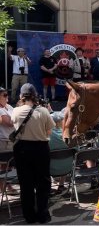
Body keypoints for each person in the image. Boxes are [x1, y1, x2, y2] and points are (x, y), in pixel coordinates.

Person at [11, 83, 55, 224]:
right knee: (43, 183)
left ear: (21, 96)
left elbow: (15, 126)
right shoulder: (43, 111)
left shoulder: (16, 111)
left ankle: (29, 216)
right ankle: (42, 215)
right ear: (35, 96)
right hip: (41, 148)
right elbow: (49, 131)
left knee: (26, 185)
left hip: (22, 149)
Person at [0, 87, 14, 193]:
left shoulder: (8, 106)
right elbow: (8, 122)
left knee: (8, 166)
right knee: (2, 166)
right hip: (2, 141)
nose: (7, 97)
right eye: (4, 95)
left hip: (11, 141)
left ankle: (7, 186)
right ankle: (4, 187)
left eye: (7, 94)